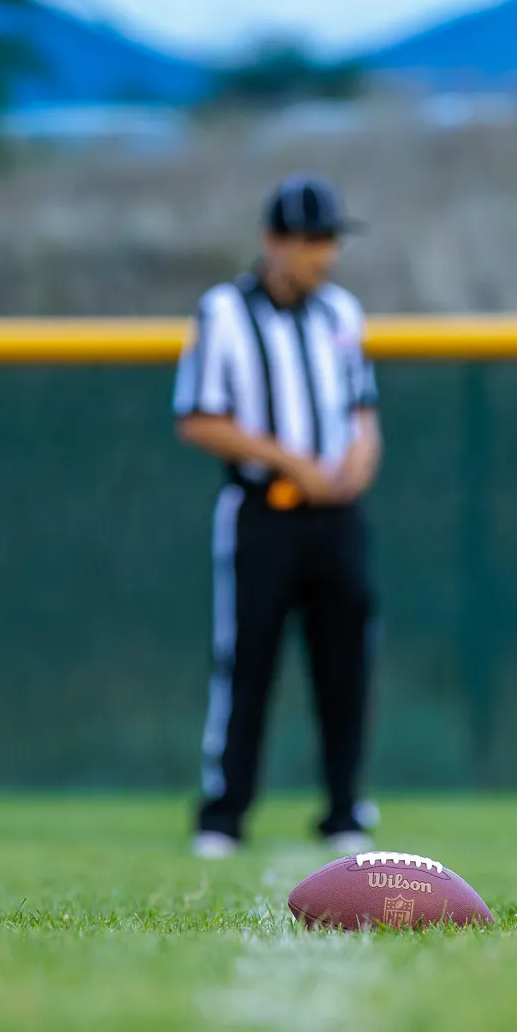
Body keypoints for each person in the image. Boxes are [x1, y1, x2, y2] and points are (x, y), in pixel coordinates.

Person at [173, 175, 383, 860]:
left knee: (345, 658)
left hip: (336, 516)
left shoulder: (340, 314)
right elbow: (199, 418)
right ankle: (224, 813)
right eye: (310, 241)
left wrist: (360, 456)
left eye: (329, 241)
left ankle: (345, 805)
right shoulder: (224, 313)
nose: (323, 256)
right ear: (274, 243)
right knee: (248, 661)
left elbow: (362, 407)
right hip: (263, 512)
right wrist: (289, 462)